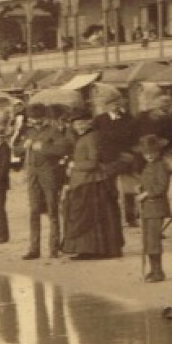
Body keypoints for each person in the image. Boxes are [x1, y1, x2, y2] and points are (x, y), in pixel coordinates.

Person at [61, 106, 124, 260]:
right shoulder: (86, 137)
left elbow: (93, 162)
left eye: (82, 123)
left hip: (90, 183)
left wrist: (74, 165)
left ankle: (93, 250)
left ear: (89, 122)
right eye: (76, 124)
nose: (79, 126)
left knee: (89, 218)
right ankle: (94, 249)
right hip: (86, 182)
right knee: (91, 217)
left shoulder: (91, 138)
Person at [20, 102, 70, 260]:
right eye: (32, 119)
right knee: (34, 211)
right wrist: (23, 146)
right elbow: (14, 149)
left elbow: (63, 149)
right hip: (32, 174)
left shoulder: (54, 131)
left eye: (38, 118)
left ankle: (53, 249)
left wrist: (43, 148)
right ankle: (34, 249)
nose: (35, 121)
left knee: (52, 211)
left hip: (49, 174)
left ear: (44, 118)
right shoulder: (26, 131)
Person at [92, 91, 140, 227]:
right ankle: (111, 217)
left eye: (117, 103)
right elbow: (96, 141)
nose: (115, 106)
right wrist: (100, 159)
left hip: (126, 159)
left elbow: (134, 138)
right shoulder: (99, 120)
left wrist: (131, 154)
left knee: (129, 191)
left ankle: (131, 217)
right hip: (108, 161)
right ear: (106, 106)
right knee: (110, 190)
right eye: (112, 104)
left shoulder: (128, 118)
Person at [134, 133, 172, 282]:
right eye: (146, 153)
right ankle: (153, 270)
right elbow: (149, 182)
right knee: (148, 240)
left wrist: (146, 194)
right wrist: (140, 187)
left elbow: (161, 187)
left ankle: (158, 272)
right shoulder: (149, 166)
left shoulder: (161, 166)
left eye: (152, 152)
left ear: (158, 152)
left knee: (153, 240)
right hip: (147, 209)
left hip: (156, 207)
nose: (149, 155)